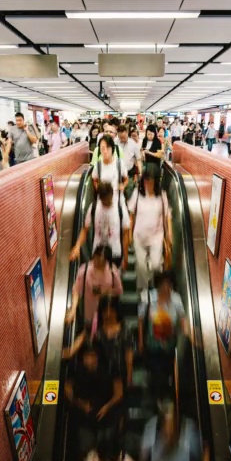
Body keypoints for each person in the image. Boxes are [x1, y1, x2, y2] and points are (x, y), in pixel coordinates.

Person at [138, 270, 190, 403]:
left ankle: (161, 396)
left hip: (169, 345)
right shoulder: (147, 297)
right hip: (152, 344)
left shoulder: (176, 299)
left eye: (169, 285)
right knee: (156, 371)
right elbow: (140, 321)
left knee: (166, 371)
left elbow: (183, 319)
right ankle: (156, 397)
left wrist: (189, 333)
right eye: (164, 285)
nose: (167, 288)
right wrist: (140, 342)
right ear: (158, 285)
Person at [65, 340, 124, 456]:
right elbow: (67, 388)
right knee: (86, 451)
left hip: (108, 415)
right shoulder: (76, 367)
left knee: (108, 450)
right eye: (87, 356)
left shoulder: (110, 366)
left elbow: (119, 393)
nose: (90, 360)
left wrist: (107, 407)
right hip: (85, 418)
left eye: (93, 356)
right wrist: (80, 404)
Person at [129, 169, 170, 293]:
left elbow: (167, 216)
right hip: (139, 236)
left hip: (156, 237)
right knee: (141, 266)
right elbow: (131, 215)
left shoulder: (162, 196)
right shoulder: (137, 194)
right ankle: (143, 290)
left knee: (156, 264)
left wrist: (169, 237)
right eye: (146, 180)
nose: (148, 183)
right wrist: (130, 234)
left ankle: (153, 286)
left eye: (150, 181)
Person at [72, 180, 128, 267]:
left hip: (115, 254)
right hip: (97, 254)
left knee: (113, 278)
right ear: (100, 198)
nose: (106, 204)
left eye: (108, 201)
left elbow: (125, 234)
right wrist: (77, 245)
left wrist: (125, 256)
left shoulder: (120, 209)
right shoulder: (93, 208)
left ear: (112, 195)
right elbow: (85, 229)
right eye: (104, 202)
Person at [66, 245, 124, 328]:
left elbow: (119, 290)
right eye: (96, 258)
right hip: (89, 311)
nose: (97, 262)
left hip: (105, 314)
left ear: (107, 261)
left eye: (101, 261)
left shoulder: (112, 272)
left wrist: (106, 292)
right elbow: (76, 290)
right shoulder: (84, 270)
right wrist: (73, 310)